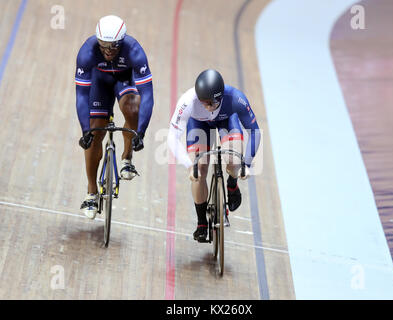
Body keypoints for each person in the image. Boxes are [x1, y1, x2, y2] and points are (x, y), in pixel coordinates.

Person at [167, 69, 261, 242]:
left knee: (233, 162)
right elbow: (172, 137)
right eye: (203, 102)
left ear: (221, 97)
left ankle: (232, 184)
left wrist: (245, 165)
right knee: (199, 170)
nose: (207, 107)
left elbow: (255, 132)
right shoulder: (188, 101)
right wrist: (189, 165)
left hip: (227, 120)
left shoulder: (236, 99)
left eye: (211, 103)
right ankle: (202, 223)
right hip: (199, 124)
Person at [75, 15, 154, 219]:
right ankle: (91, 193)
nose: (108, 51)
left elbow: (148, 95)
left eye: (113, 47)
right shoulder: (87, 52)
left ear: (122, 42)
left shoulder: (134, 50)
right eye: (104, 46)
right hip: (99, 82)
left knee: (132, 108)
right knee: (94, 134)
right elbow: (82, 96)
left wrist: (141, 133)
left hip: (124, 80)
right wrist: (86, 131)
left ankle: (127, 157)